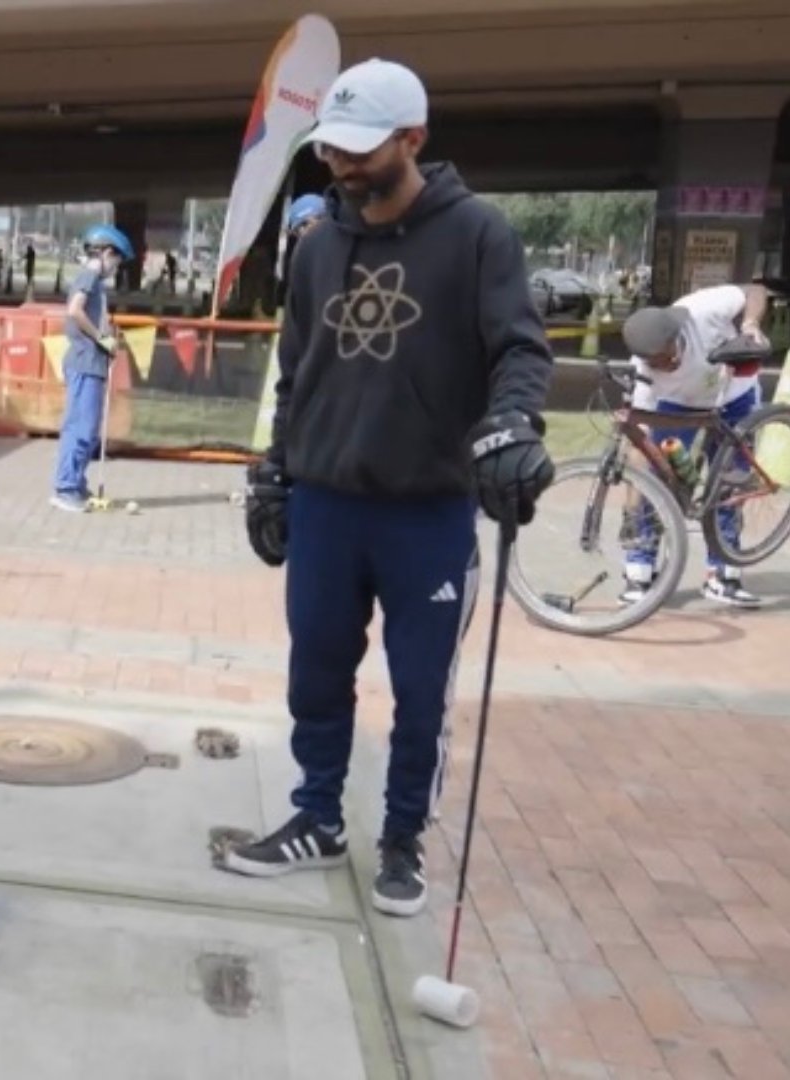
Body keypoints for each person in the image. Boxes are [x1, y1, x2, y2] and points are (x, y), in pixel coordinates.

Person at [228, 58, 555, 917]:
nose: (338, 165)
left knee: (418, 691)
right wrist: (274, 470)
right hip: (328, 502)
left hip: (429, 511)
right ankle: (316, 816)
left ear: (413, 139)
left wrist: (513, 426)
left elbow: (521, 350)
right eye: (329, 149)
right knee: (316, 671)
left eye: (358, 150)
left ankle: (403, 835)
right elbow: (295, 373)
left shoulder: (479, 233)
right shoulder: (317, 245)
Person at [619, 282, 775, 607]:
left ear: (676, 337)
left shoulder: (702, 309)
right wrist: (645, 486)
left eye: (669, 357)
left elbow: (754, 290)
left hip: (735, 392)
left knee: (730, 486)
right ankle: (640, 571)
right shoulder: (643, 370)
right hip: (678, 406)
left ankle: (721, 576)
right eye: (657, 364)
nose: (667, 365)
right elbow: (639, 441)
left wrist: (749, 323)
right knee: (654, 481)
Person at [50, 223, 133, 513]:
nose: (116, 266)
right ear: (107, 252)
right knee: (80, 428)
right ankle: (66, 488)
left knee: (88, 429)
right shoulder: (89, 275)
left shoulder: (96, 282)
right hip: (85, 361)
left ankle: (76, 484)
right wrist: (101, 339)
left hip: (93, 362)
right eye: (117, 259)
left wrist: (108, 340)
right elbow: (75, 310)